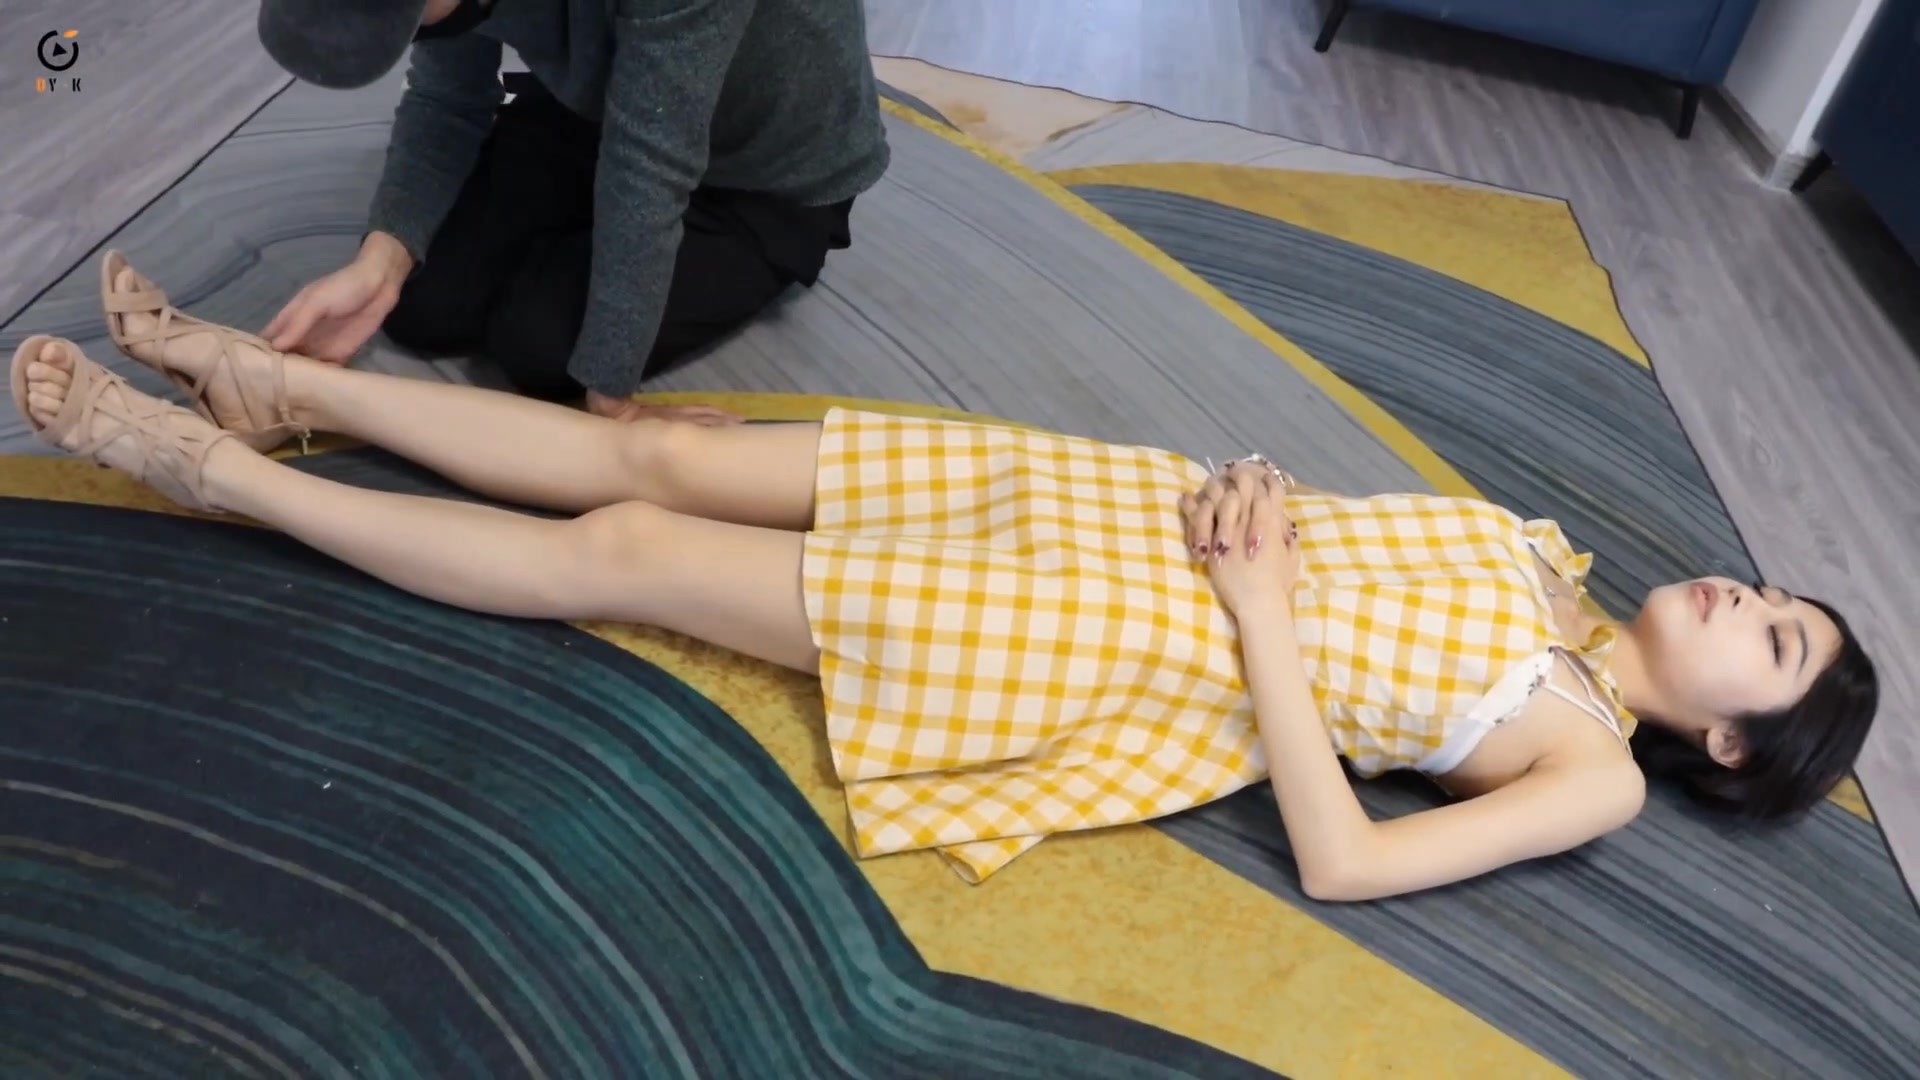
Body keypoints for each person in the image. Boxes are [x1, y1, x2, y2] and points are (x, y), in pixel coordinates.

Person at [11, 255, 1879, 896]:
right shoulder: (1545, 557)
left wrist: (1257, 612)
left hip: (1106, 634)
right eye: (1768, 586)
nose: (1742, 594)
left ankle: (203, 469)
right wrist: (1257, 493)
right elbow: (1329, 521)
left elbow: (1344, 855)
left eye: (1776, 638)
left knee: (628, 555)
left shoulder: (1592, 770)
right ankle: (273, 382)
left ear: (1738, 744)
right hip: (1105, 499)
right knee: (677, 453)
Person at [251, 0, 890, 423]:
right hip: (605, 105)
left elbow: (649, 165)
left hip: (767, 171)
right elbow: (447, 97)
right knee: (422, 306)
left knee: (541, 348)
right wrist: (381, 262)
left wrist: (613, 398)